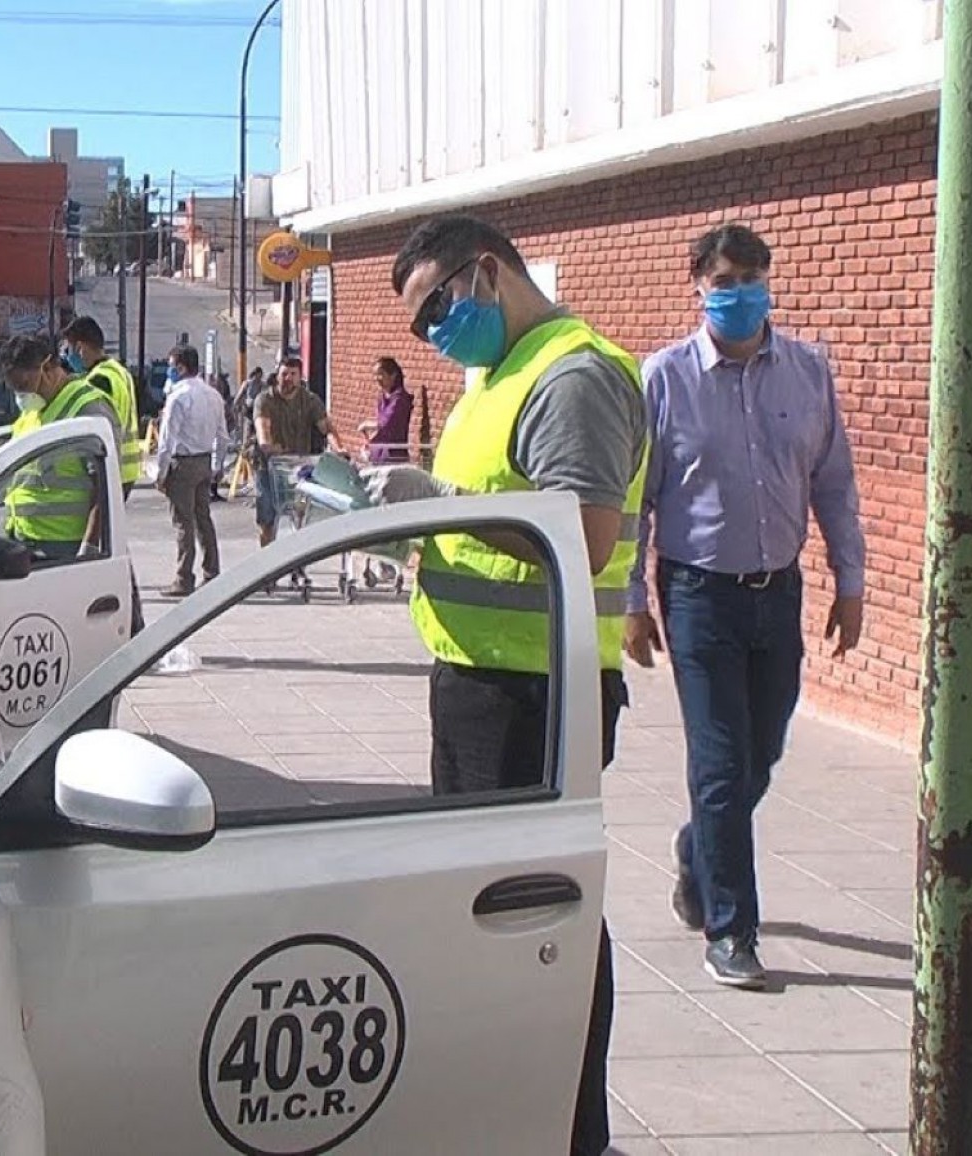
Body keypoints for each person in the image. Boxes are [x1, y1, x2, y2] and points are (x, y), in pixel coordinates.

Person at [363, 214, 647, 1156]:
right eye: (419, 327)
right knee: (494, 912)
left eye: (438, 307)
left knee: (541, 921)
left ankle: (569, 1130)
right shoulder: (497, 374)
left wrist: (441, 506)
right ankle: (508, 1108)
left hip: (537, 696)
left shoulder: (572, 376)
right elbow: (494, 517)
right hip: (482, 682)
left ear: (488, 272)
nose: (434, 332)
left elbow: (584, 535)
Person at [625, 224, 866, 990]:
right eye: (727, 279)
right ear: (698, 283)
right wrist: (631, 599)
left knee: (762, 752)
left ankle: (698, 851)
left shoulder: (806, 371)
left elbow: (833, 482)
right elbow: (637, 503)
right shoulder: (662, 379)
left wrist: (851, 580)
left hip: (778, 592)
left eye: (755, 277)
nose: (742, 292)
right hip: (698, 595)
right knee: (723, 763)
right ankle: (732, 930)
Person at [0, 334, 118, 561]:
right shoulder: (33, 411)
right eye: (14, 389)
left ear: (48, 367)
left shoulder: (86, 407)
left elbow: (105, 488)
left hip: (64, 548)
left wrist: (88, 547)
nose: (22, 395)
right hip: (23, 538)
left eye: (24, 386)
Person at [154, 344, 226, 596]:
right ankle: (212, 571)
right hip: (204, 461)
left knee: (183, 522)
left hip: (182, 463)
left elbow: (166, 441)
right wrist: (217, 466)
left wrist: (160, 474)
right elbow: (222, 435)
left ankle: (184, 578)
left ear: (181, 367)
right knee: (203, 518)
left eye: (171, 366)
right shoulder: (213, 395)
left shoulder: (178, 397)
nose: (169, 371)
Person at [253, 355, 345, 549]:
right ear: (277, 375)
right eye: (284, 374)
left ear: (300, 376)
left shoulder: (309, 400)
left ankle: (298, 564)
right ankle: (267, 566)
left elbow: (326, 428)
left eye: (293, 374)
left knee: (301, 517)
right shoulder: (265, 400)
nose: (288, 379)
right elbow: (263, 431)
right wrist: (267, 445)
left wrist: (339, 448)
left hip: (298, 468)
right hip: (269, 468)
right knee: (268, 520)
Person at [60, 316, 145, 495]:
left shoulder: (99, 380)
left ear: (80, 348)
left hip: (110, 468)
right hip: (125, 469)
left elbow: (96, 429)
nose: (67, 357)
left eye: (68, 350)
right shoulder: (118, 370)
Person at [359, 357, 415, 465]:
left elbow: (387, 424)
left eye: (381, 374)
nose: (377, 378)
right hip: (379, 455)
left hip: (394, 456)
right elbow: (381, 429)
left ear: (393, 375)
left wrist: (368, 425)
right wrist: (370, 443)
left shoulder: (400, 399)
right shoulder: (383, 398)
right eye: (375, 374)